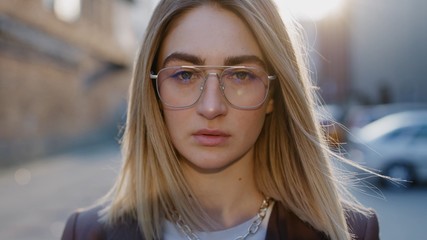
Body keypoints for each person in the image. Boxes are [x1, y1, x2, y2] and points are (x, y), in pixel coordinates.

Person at [62, 0, 380, 239]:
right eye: (185, 75)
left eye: (240, 75)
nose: (212, 107)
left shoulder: (350, 233)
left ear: (273, 94)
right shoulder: (89, 234)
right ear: (153, 91)